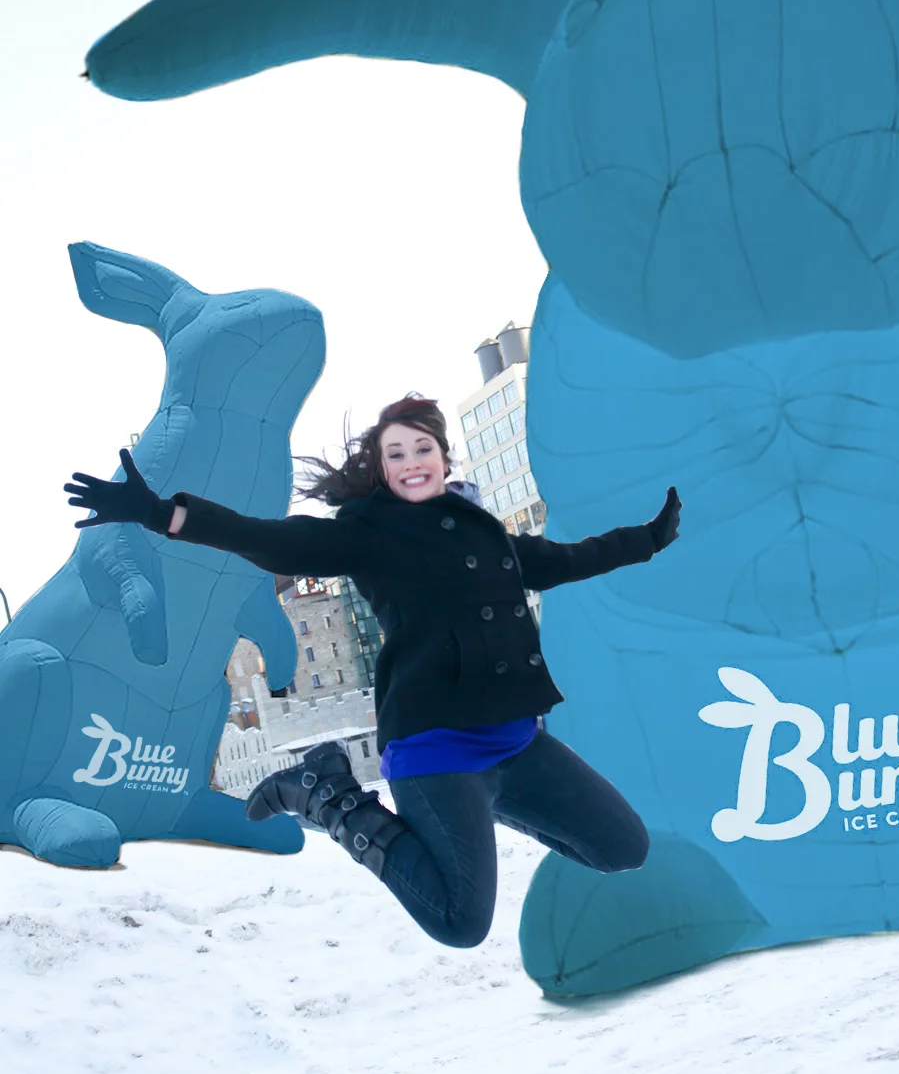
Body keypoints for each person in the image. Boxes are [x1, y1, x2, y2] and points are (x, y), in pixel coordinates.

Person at [65, 394, 682, 948]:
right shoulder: (370, 535)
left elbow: (564, 559)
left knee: (622, 848)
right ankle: (327, 795)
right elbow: (270, 538)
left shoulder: (483, 535)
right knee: (460, 923)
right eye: (396, 454)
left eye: (423, 448)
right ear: (383, 470)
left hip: (516, 745)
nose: (412, 462)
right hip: (436, 751)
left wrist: (648, 539)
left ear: (443, 458)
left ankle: (466, 814)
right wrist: (160, 514)